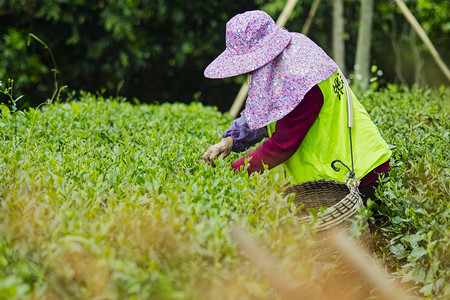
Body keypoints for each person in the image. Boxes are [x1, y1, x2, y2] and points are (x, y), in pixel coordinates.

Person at [202, 10, 391, 202]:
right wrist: (231, 140)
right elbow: (265, 109)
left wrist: (232, 173)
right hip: (340, 172)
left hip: (361, 172)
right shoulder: (290, 53)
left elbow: (282, 144)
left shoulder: (302, 79)